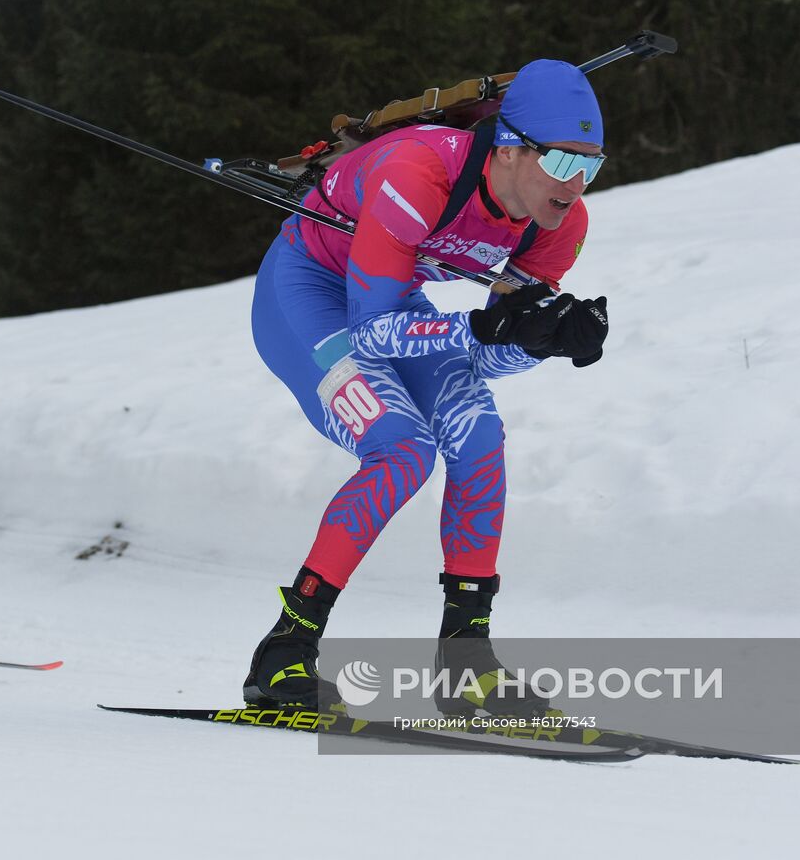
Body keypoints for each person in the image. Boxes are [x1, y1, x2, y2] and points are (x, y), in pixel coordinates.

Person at [245, 60, 611, 711]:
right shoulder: (417, 170)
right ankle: (285, 650)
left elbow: (486, 357)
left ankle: (466, 664)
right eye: (560, 162)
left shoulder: (561, 224)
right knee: (403, 451)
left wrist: (535, 341)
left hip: (388, 297)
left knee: (478, 435)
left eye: (592, 165)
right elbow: (377, 335)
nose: (576, 183)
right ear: (508, 147)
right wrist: (487, 328)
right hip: (309, 291)